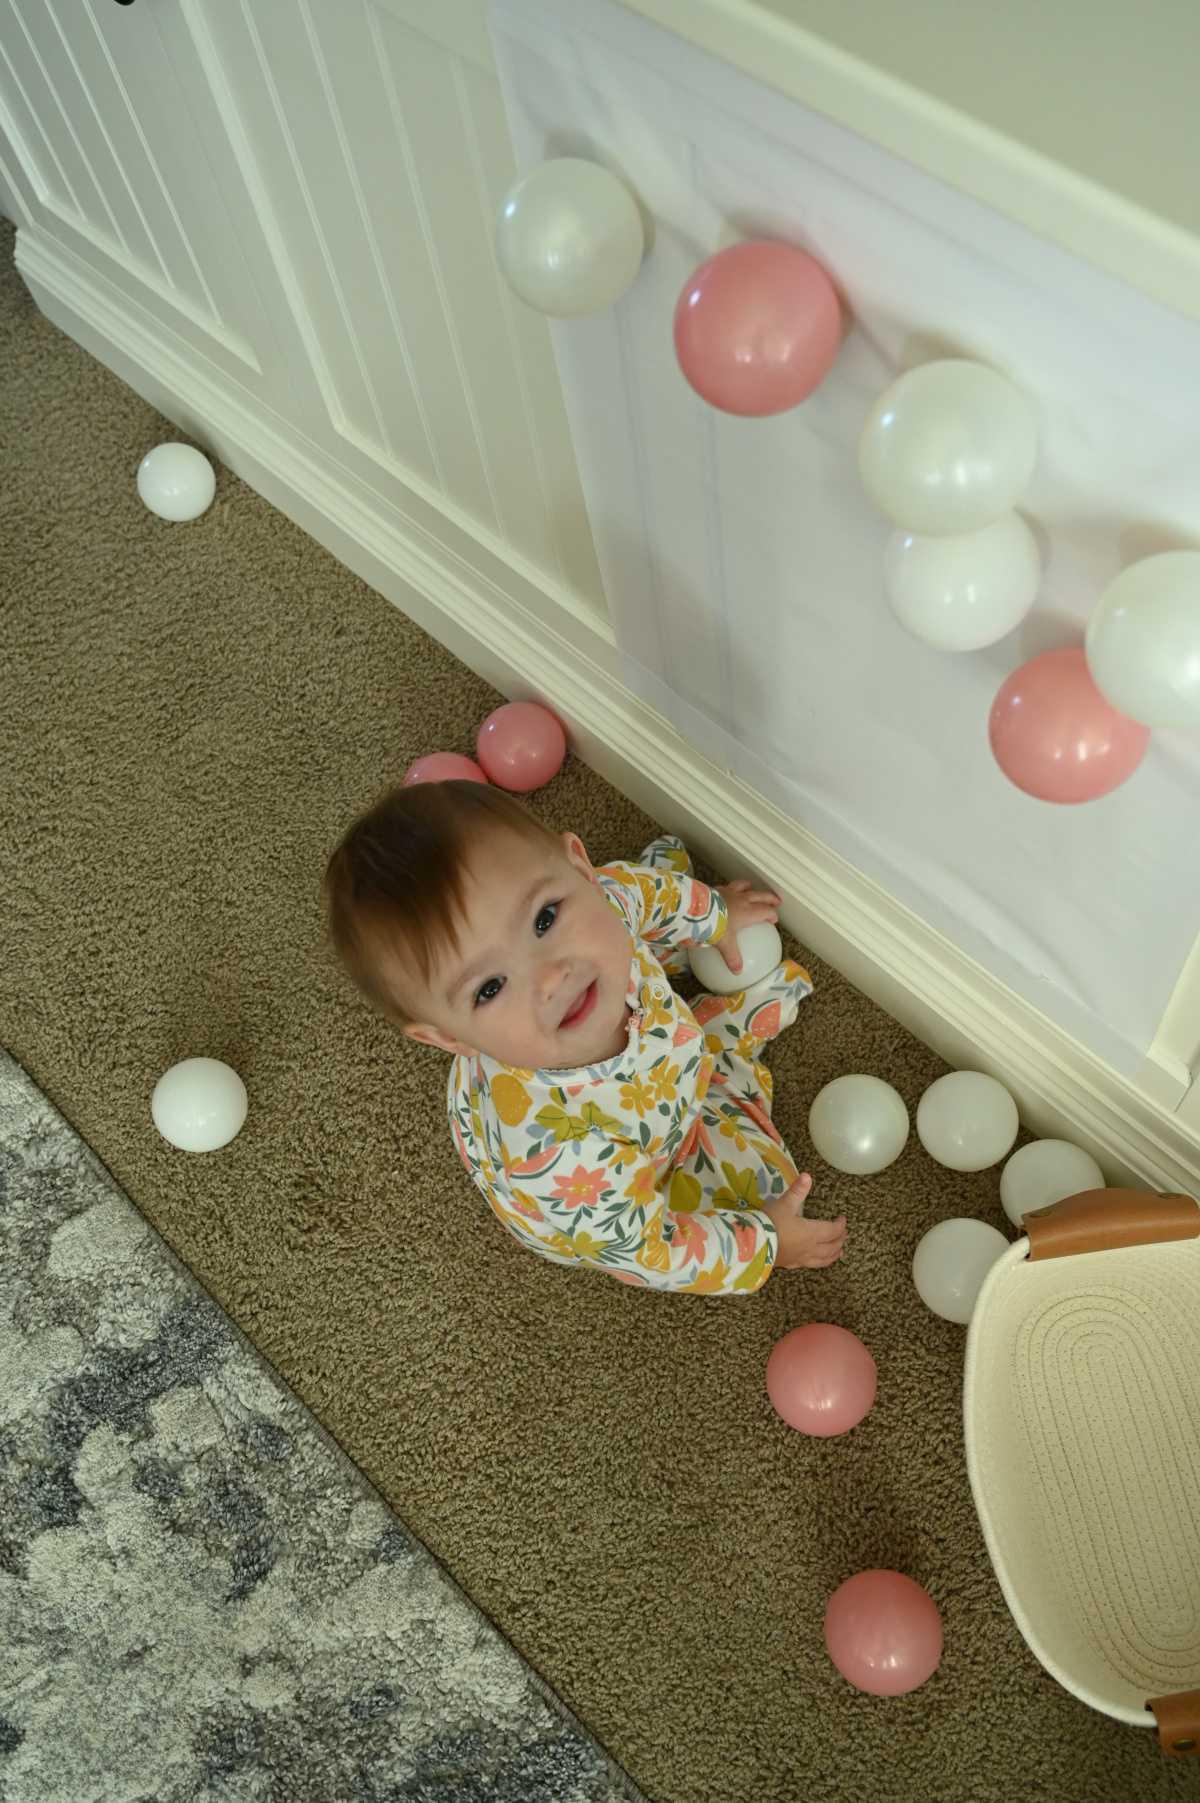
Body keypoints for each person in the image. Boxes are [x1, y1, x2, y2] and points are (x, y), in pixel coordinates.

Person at [325, 780, 847, 1294]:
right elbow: (653, 1253)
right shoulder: (560, 1159)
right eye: (489, 988)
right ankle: (717, 1074)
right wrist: (768, 1241)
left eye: (544, 919)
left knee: (630, 913)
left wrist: (715, 915)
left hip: (650, 1056)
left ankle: (668, 991)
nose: (551, 978)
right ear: (446, 1039)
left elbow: (636, 893)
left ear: (580, 868)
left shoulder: (604, 896)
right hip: (624, 1177)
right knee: (762, 1184)